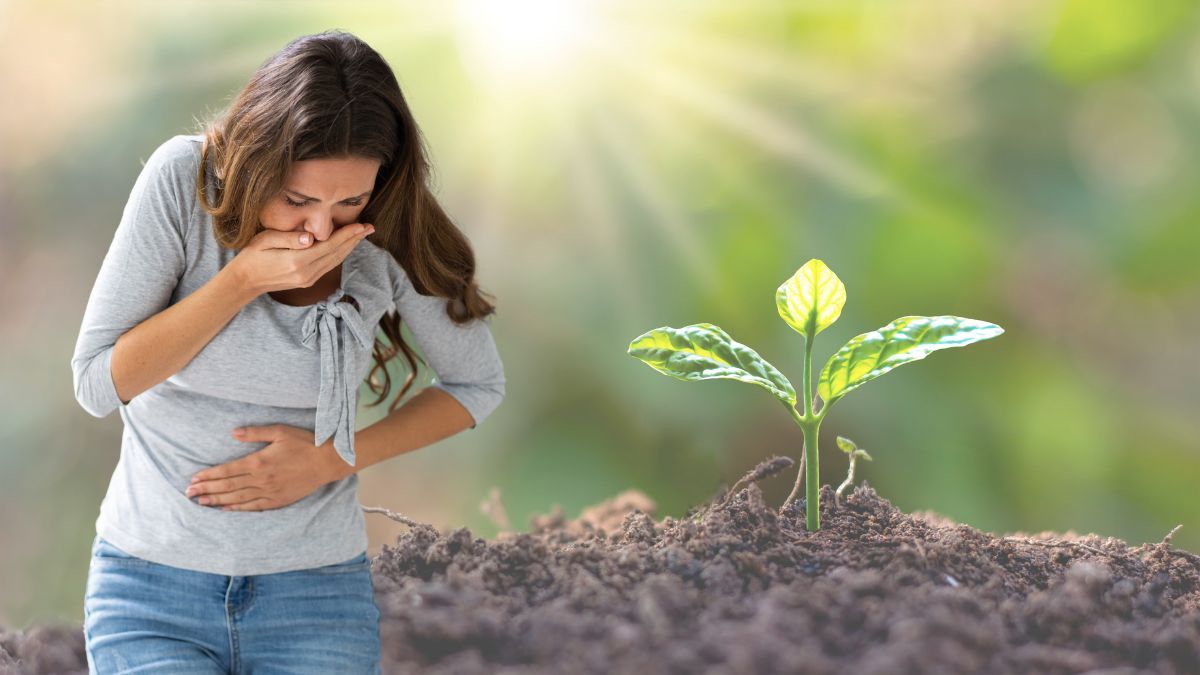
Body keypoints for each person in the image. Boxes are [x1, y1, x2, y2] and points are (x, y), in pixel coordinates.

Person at [70, 29, 506, 674]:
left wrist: (329, 461)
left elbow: (477, 384)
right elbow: (97, 384)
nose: (321, 228)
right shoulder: (183, 182)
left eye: (349, 201)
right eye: (297, 200)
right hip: (150, 588)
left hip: (316, 597)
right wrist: (241, 281)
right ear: (254, 163)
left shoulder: (391, 222)